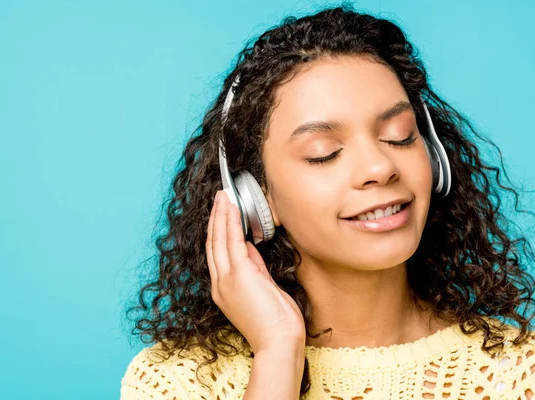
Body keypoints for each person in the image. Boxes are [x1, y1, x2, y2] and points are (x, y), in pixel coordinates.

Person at [120, 4, 535, 399]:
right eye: (324, 152)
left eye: (400, 135)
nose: (379, 166)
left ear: (434, 156)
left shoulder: (521, 369)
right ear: (255, 198)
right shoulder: (175, 381)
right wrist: (277, 351)